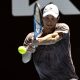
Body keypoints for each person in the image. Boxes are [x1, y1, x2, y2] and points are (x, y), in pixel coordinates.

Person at [22, 3, 79, 80]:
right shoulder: (31, 37)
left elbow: (53, 38)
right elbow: (25, 60)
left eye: (53, 18)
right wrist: (29, 50)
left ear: (58, 19)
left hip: (68, 78)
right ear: (42, 18)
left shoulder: (63, 28)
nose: (49, 21)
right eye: (47, 18)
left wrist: (38, 41)